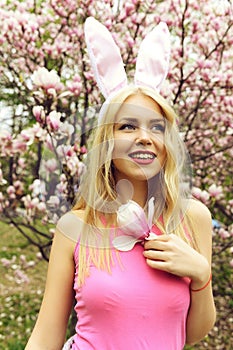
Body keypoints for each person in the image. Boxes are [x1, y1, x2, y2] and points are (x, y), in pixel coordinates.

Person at [25, 17, 216, 350]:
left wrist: (201, 274)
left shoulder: (193, 219)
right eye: (127, 126)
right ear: (106, 141)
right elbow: (46, 334)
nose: (145, 138)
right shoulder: (74, 228)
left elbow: (191, 333)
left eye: (156, 128)